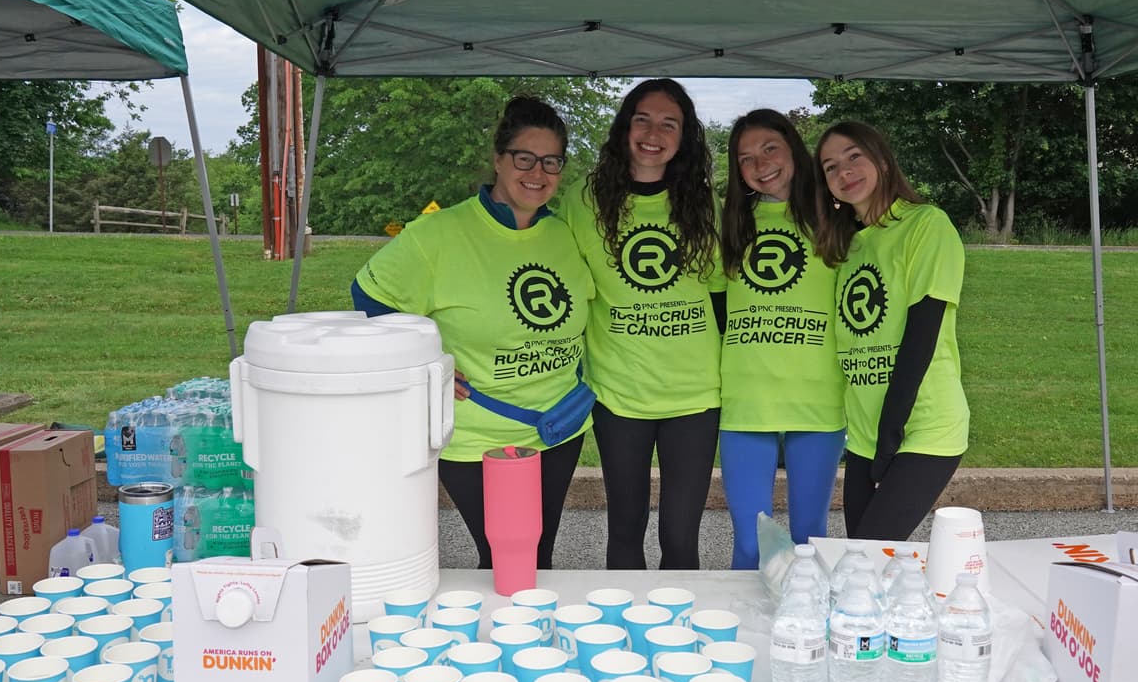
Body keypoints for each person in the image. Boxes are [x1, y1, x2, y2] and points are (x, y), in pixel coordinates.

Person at [351, 96, 594, 569]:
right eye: (524, 157)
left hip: (562, 427)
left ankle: (528, 638)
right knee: (506, 560)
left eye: (551, 162)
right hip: (478, 436)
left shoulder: (564, 236)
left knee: (538, 556)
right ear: (499, 160)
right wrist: (425, 361)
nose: (537, 172)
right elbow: (369, 298)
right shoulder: (438, 235)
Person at [561, 78, 722, 570]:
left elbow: (721, 301)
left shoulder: (705, 205)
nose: (654, 133)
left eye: (669, 124)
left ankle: (679, 642)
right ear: (624, 127)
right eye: (643, 119)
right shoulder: (580, 203)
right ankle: (623, 642)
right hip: (618, 393)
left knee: (680, 536)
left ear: (684, 137)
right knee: (625, 527)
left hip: (695, 396)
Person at [815, 121, 968, 541]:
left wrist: (890, 438)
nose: (843, 172)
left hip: (922, 429)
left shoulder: (926, 225)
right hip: (865, 435)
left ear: (882, 159)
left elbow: (922, 336)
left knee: (865, 559)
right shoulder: (846, 247)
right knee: (864, 569)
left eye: (853, 157)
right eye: (830, 167)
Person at [717, 110, 845, 569]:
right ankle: (740, 640)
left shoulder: (835, 220)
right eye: (745, 157)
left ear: (793, 147)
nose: (760, 163)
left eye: (770, 147)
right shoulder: (729, 223)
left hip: (819, 402)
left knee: (810, 540)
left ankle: (807, 637)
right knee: (752, 543)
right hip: (746, 401)